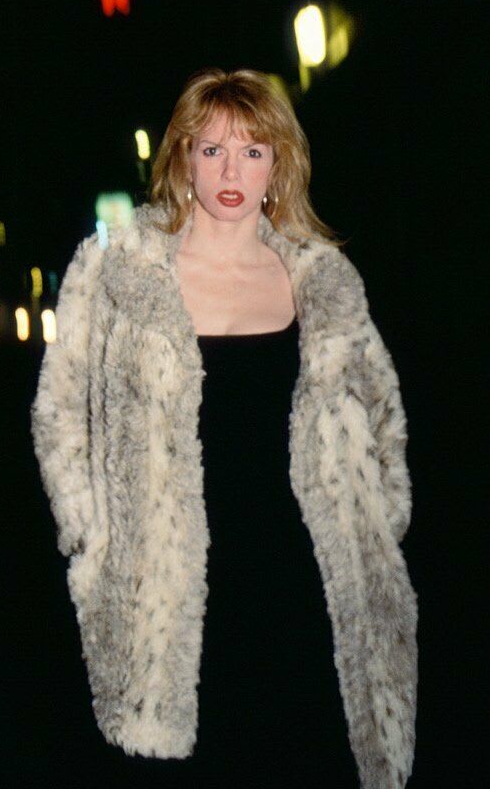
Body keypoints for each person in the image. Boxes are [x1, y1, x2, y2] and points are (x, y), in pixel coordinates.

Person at [31, 68, 418, 788]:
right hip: (166, 592)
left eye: (251, 150)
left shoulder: (324, 282)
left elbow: (382, 419)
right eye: (210, 150)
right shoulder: (118, 273)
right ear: (181, 160)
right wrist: (91, 543)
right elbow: (59, 415)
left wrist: (377, 524)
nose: (230, 170)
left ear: (279, 163)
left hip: (303, 582)